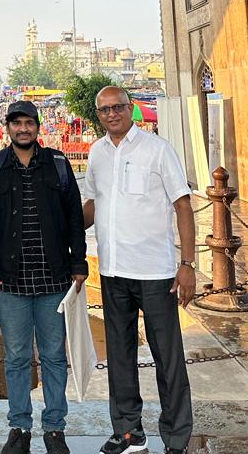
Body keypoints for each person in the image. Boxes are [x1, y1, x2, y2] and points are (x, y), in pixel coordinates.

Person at [0, 100, 88, 454]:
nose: (23, 129)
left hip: (54, 278)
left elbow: (72, 217)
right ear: (7, 128)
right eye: (16, 123)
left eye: (29, 123)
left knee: (54, 355)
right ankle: (19, 426)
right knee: (17, 356)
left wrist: (79, 263)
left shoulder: (57, 164)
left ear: (38, 127)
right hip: (10, 280)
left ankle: (54, 427)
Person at [83, 87, 195, 454]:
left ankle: (176, 437)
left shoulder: (157, 149)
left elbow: (182, 205)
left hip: (156, 272)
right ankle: (129, 433)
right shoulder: (97, 153)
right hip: (114, 271)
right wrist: (58, 228)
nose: (112, 114)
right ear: (98, 115)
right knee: (119, 356)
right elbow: (93, 204)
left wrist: (187, 265)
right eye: (105, 110)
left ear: (130, 110)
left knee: (168, 358)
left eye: (118, 107)